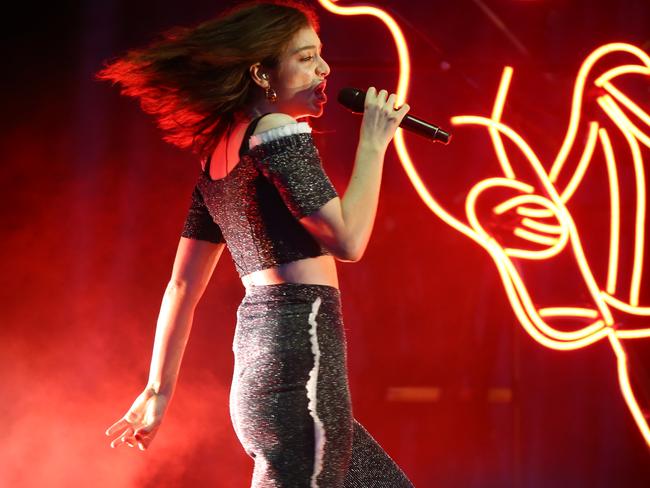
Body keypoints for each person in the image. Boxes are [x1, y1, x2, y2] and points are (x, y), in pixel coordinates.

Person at [97, 1, 412, 486]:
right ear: (263, 74)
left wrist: (158, 391)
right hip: (300, 369)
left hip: (261, 377)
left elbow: (181, 286)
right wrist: (374, 142)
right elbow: (348, 240)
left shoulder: (218, 157)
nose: (324, 69)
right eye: (306, 58)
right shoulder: (276, 132)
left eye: (320, 55)